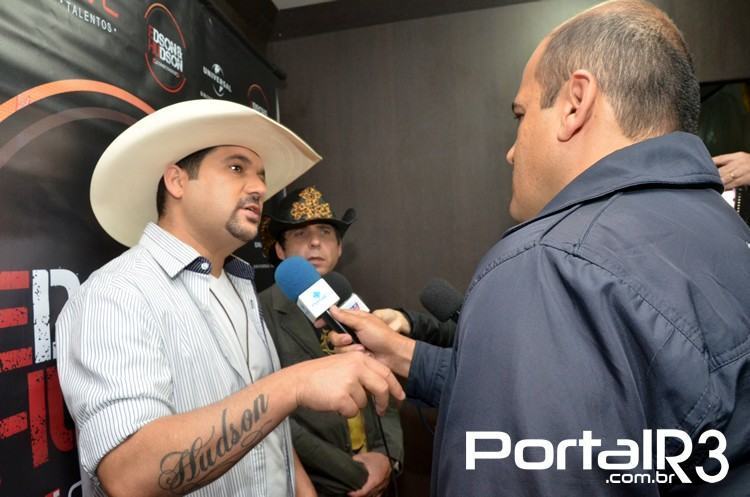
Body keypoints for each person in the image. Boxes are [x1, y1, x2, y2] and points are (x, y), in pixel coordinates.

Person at [329, 1, 750, 496]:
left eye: (521, 114)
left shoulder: (551, 267)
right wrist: (405, 355)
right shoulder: (724, 228)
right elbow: (621, 430)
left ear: (575, 103)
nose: (511, 149)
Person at [56, 100, 404, 497]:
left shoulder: (240, 287)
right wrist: (292, 385)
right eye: (236, 168)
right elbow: (129, 476)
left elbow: (264, 432)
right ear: (177, 181)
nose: (259, 188)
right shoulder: (116, 294)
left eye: (261, 175)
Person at [258, 186, 403, 497]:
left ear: (339, 248)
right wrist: (354, 475)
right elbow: (272, 413)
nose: (314, 242)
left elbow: (383, 382)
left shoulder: (350, 302)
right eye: (300, 234)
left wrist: (386, 457)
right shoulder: (259, 314)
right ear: (281, 251)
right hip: (314, 482)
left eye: (325, 232)